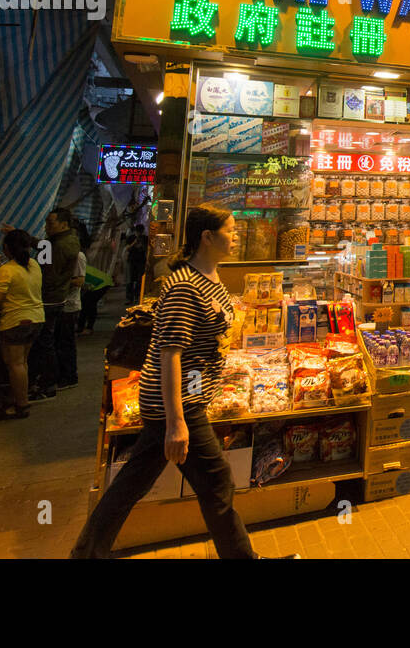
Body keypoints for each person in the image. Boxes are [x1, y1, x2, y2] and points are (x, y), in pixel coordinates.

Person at [71, 204, 257, 558]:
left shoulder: (211, 278)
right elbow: (169, 354)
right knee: (216, 480)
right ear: (207, 236)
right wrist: (176, 423)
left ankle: (85, 554)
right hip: (177, 403)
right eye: (231, 230)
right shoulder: (185, 286)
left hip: (190, 398)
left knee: (131, 485)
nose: (237, 236)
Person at [0, 229, 45, 420]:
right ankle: (19, 398)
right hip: (36, 319)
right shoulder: (34, 264)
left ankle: (21, 406)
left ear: (6, 248)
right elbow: (17, 276)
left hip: (15, 322)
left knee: (15, 365)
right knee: (22, 363)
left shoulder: (7, 270)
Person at [28, 206, 81, 399]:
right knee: (49, 341)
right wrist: (30, 240)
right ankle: (51, 380)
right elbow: (45, 251)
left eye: (50, 223)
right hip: (56, 298)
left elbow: (47, 273)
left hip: (50, 299)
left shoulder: (60, 246)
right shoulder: (63, 241)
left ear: (64, 224)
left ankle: (48, 383)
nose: (47, 226)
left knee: (45, 342)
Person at [124, 223, 148, 304]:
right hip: (132, 261)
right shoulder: (131, 238)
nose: (139, 233)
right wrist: (134, 242)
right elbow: (127, 248)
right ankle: (129, 298)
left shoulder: (145, 238)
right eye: (138, 232)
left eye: (140, 232)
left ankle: (137, 297)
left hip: (141, 261)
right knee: (130, 280)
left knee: (139, 280)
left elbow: (147, 249)